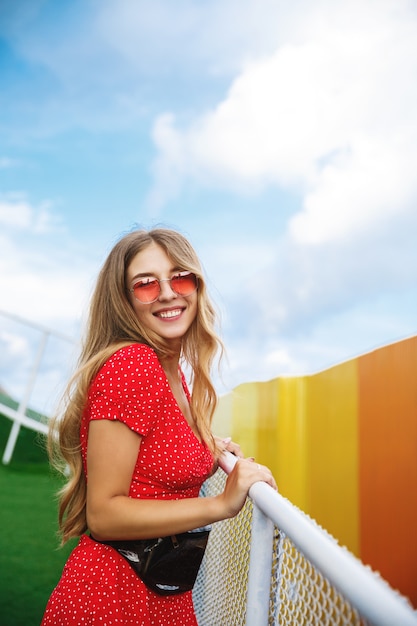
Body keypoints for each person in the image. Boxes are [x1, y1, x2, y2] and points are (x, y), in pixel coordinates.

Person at [41, 227, 276, 626]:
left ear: (196, 288)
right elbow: (104, 514)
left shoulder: (173, 372)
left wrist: (208, 446)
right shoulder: (133, 365)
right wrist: (220, 505)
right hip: (114, 596)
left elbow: (152, 448)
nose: (167, 293)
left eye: (179, 277)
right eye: (146, 285)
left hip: (159, 591)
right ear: (123, 301)